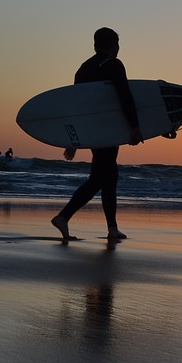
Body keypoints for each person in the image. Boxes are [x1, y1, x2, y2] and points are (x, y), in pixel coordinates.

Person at [51, 27, 143, 241]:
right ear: (111, 43)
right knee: (101, 177)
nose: (119, 48)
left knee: (108, 176)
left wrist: (74, 139)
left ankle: (112, 229)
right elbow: (124, 95)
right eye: (117, 43)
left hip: (92, 131)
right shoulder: (113, 64)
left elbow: (77, 106)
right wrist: (135, 126)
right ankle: (64, 217)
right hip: (108, 128)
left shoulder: (83, 69)